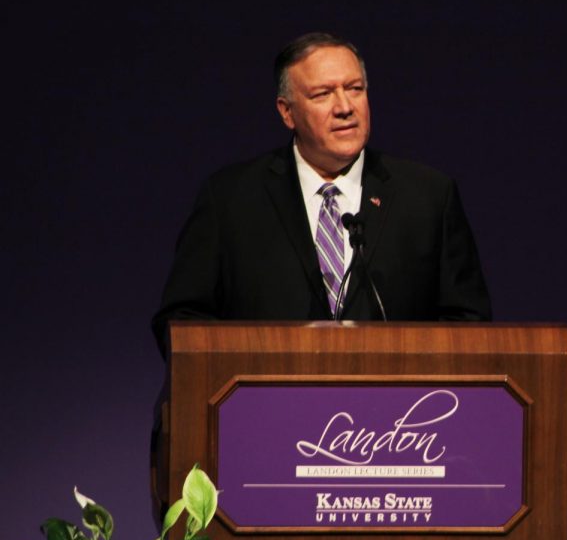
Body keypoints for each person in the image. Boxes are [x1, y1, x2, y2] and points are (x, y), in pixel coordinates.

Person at [151, 32, 491, 356]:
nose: (345, 106)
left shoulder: (428, 196)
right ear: (287, 112)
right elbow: (183, 322)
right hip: (268, 411)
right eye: (322, 94)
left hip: (394, 414)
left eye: (355, 89)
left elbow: (467, 325)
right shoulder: (230, 199)